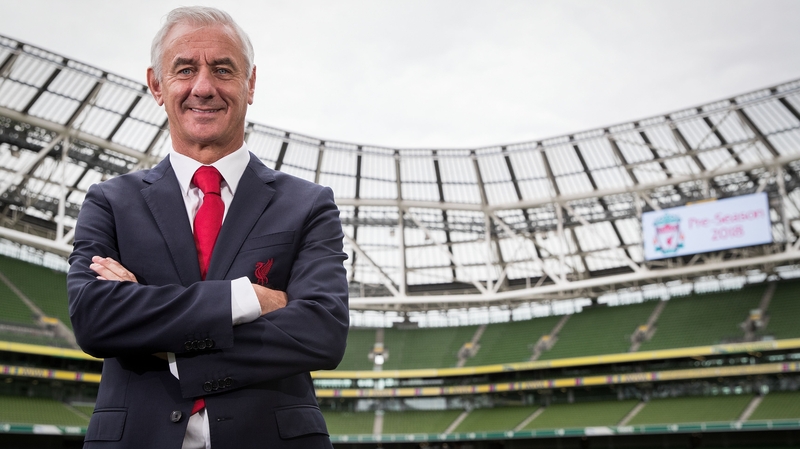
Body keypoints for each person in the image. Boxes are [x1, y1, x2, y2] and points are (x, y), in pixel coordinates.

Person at [66, 6, 349, 449]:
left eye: (222, 69)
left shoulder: (308, 204)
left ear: (250, 84)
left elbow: (322, 331)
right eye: (184, 70)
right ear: (157, 85)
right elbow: (95, 319)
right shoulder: (110, 201)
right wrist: (246, 298)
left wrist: (163, 340)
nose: (203, 87)